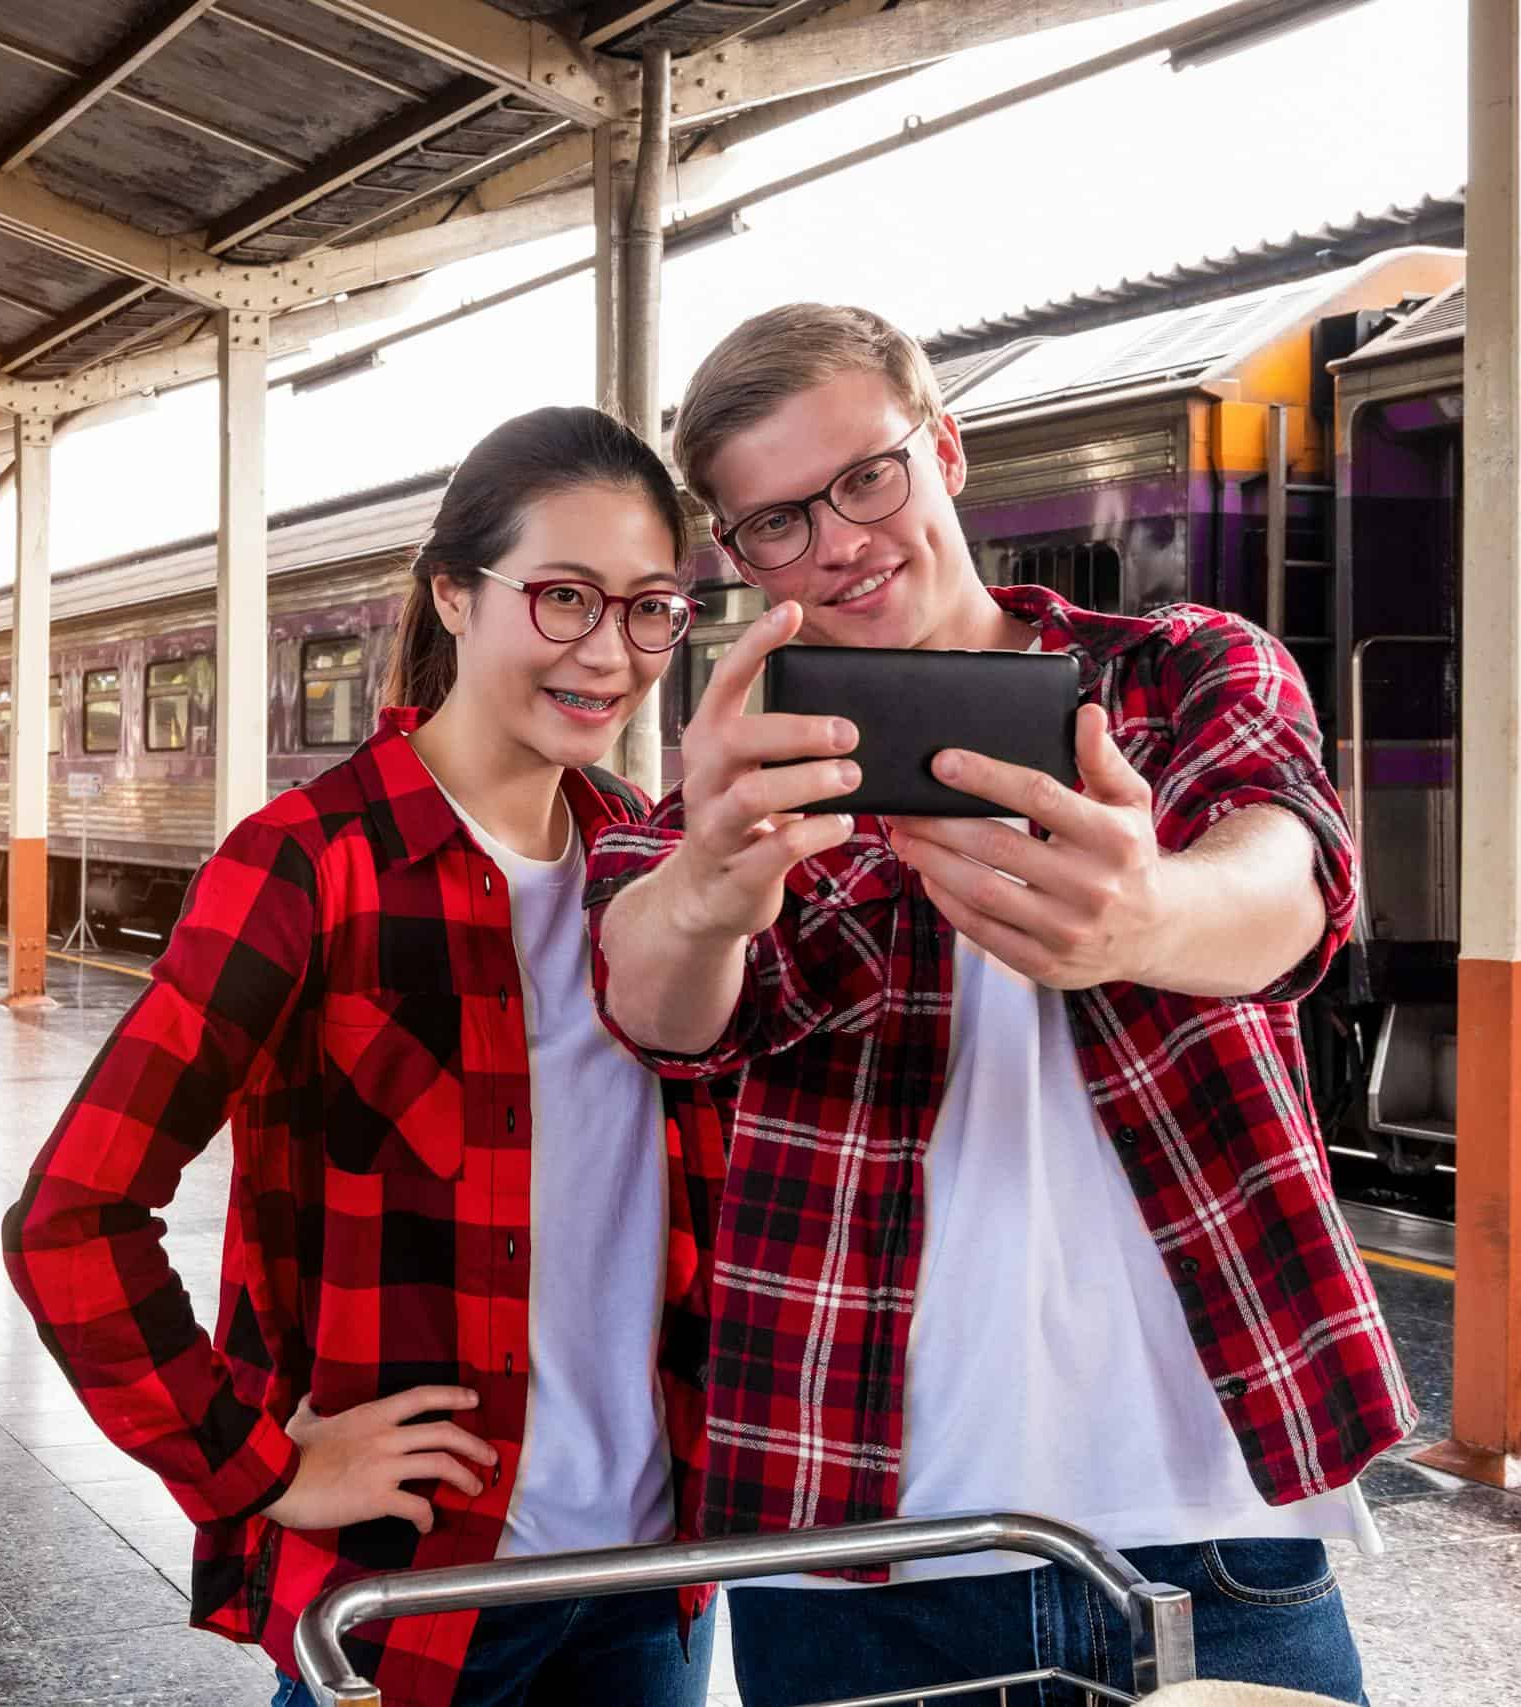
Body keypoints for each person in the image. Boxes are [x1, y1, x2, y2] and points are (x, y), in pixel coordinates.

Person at [588, 304, 1406, 1706]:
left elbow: (1286, 883)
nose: (839, 540)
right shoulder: (721, 797)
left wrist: (1144, 916)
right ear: (739, 560)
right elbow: (658, 997)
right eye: (776, 522)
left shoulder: (1188, 670)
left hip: (1213, 1523)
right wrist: (718, 883)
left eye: (866, 477)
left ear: (944, 453)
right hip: (848, 1551)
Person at [5, 407, 729, 1707]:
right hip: (425, 1594)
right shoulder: (309, 863)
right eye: (562, 598)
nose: (608, 651)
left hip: (652, 1588)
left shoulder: (656, 863)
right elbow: (73, 1213)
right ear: (452, 593)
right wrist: (263, 1472)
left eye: (648, 609)